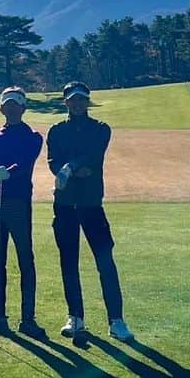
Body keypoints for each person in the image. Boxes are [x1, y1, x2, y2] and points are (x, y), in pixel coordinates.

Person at [47, 80, 133, 342]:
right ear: (66, 102)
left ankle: (116, 321)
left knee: (105, 261)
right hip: (65, 205)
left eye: (82, 99)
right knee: (69, 262)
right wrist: (69, 169)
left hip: (91, 204)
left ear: (87, 101)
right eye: (73, 99)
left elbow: (93, 157)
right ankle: (76, 317)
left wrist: (69, 168)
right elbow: (53, 161)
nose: (77, 103)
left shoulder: (101, 129)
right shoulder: (56, 130)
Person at [0, 86, 48, 340]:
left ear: (23, 108)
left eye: (16, 104)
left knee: (25, 258)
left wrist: (9, 172)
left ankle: (28, 319)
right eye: (7, 104)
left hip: (17, 202)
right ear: (2, 108)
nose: (11, 108)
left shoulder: (33, 136)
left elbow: (25, 165)